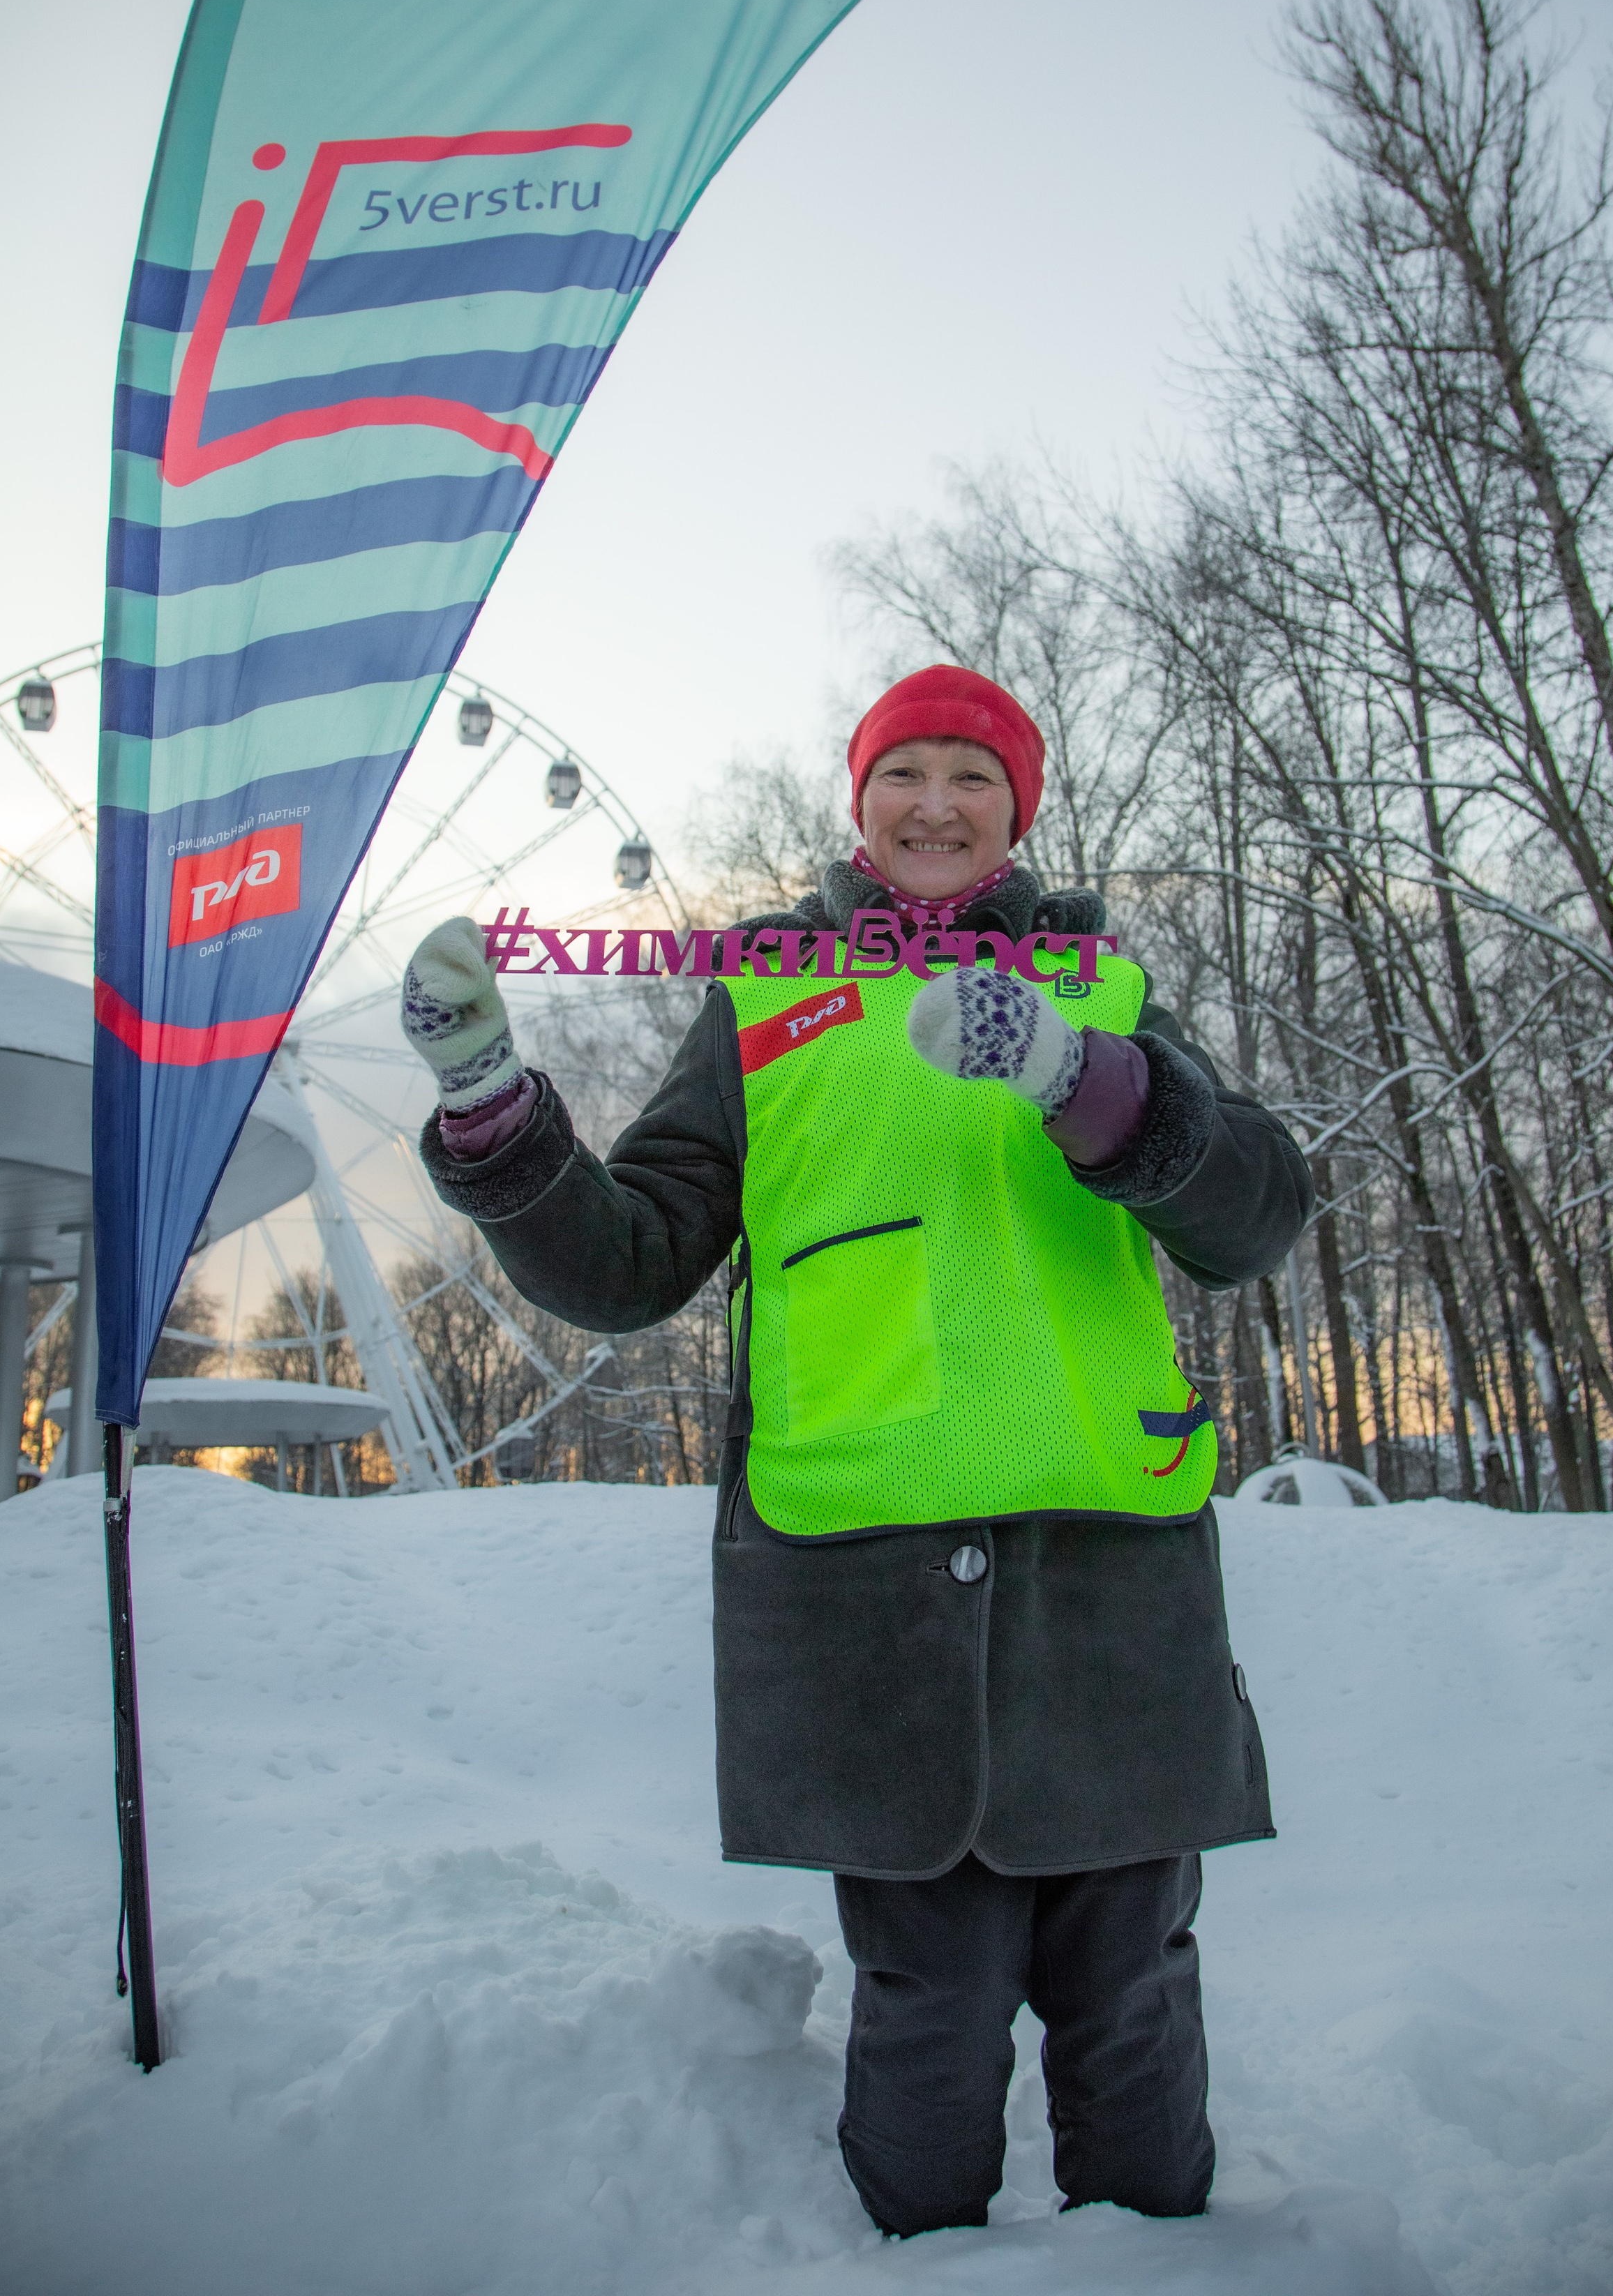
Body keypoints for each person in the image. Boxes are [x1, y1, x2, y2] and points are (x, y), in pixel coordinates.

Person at [402, 663, 1312, 2239]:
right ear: (860, 803)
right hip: (867, 1597)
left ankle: (1171, 2263)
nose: (937, 806)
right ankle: (914, 2262)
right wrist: (493, 1110)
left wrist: (1073, 1076)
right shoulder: (761, 992)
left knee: (1131, 2002)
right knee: (927, 2006)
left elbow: (1253, 1213)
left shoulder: (1096, 985)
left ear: (1016, 809)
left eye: (974, 777)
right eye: (906, 775)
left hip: (1102, 1583)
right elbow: (629, 1262)